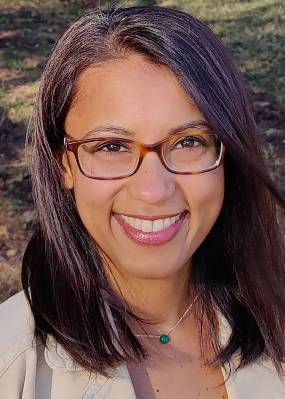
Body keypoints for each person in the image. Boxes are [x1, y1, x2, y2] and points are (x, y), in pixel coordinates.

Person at [0, 5, 284, 399]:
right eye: (112, 146)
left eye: (188, 142)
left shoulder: (275, 319)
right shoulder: (11, 365)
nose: (153, 190)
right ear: (64, 164)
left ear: (228, 154)